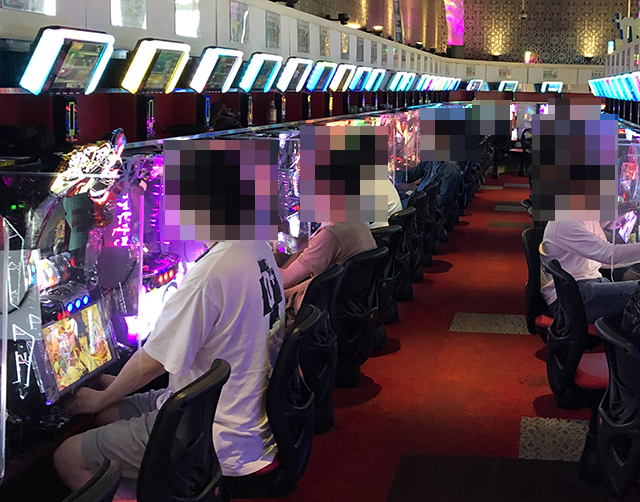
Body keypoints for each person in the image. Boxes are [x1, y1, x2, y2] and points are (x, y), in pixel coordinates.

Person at [54, 241, 285, 491]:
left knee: (66, 457)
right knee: (105, 414)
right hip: (235, 412)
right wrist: (116, 387)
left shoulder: (211, 273)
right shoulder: (256, 246)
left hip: (214, 431)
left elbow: (154, 362)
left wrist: (101, 397)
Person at [540, 219, 640, 323]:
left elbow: (601, 260)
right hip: (569, 298)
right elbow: (609, 255)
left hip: (588, 285)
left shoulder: (586, 217)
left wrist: (608, 222)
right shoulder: (565, 221)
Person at [280, 222, 376, 319]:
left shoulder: (329, 235)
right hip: (353, 303)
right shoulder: (359, 223)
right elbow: (322, 280)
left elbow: (283, 281)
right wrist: (286, 293)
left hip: (323, 312)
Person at [396, 160, 462, 223]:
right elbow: (413, 174)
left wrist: (422, 205)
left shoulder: (450, 166)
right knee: (398, 196)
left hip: (423, 209)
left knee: (393, 208)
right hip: (417, 198)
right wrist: (394, 175)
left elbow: (444, 198)